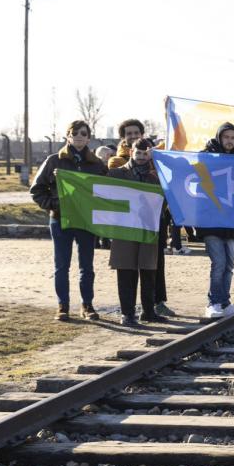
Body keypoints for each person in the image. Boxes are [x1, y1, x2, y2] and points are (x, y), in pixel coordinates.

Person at [31, 120, 108, 321]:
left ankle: (87, 305)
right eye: (75, 133)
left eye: (83, 133)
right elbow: (37, 190)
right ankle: (62, 306)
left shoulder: (96, 164)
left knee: (87, 266)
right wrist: (55, 205)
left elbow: (106, 191)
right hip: (60, 220)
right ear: (68, 136)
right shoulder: (54, 161)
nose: (79, 136)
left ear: (89, 137)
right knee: (61, 265)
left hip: (85, 221)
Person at [106, 138, 163, 326]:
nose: (141, 157)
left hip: (147, 228)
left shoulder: (155, 178)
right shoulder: (116, 174)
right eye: (138, 153)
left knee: (148, 271)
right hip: (124, 229)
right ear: (131, 153)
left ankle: (148, 311)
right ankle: (127, 314)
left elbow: (164, 202)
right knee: (126, 272)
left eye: (145, 153)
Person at [194, 123, 234, 319]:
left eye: (233, 138)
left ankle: (224, 301)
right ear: (219, 137)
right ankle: (213, 302)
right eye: (226, 137)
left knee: (230, 264)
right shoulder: (206, 156)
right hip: (210, 219)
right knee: (219, 262)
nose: (229, 141)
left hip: (232, 220)